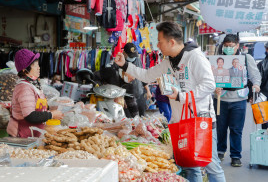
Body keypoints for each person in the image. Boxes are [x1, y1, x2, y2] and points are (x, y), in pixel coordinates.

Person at [115, 21, 226, 182]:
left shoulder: (195, 57)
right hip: (180, 123)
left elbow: (209, 85)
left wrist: (182, 96)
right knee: (190, 166)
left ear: (171, 42)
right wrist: (125, 65)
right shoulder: (168, 62)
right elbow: (147, 75)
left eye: (160, 41)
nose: (158, 45)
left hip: (199, 122)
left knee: (211, 165)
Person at [214, 34, 261, 167]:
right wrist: (214, 89)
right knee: (220, 128)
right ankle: (220, 151)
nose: (228, 48)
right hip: (220, 99)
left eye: (231, 46)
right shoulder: (218, 59)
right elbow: (210, 78)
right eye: (226, 46)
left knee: (236, 129)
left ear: (237, 45)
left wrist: (256, 85)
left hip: (239, 99)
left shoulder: (246, 58)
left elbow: (255, 75)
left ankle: (235, 155)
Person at [7, 49, 64, 138]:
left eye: (38, 64)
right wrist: (51, 114)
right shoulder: (24, 88)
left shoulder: (32, 84)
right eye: (35, 65)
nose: (39, 67)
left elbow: (36, 106)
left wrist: (50, 108)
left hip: (32, 134)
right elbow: (30, 115)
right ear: (25, 70)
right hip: (22, 136)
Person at [100, 43, 152, 118]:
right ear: (124, 53)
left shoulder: (137, 60)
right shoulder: (117, 63)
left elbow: (142, 76)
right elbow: (115, 82)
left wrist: (148, 90)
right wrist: (120, 97)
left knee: (142, 117)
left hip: (139, 93)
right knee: (129, 119)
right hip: (126, 97)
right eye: (130, 56)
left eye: (134, 56)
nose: (133, 58)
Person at [257, 42, 268, 129]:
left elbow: (257, 81)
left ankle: (264, 142)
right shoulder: (262, 64)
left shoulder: (262, 64)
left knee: (264, 125)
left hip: (264, 97)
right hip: (264, 97)